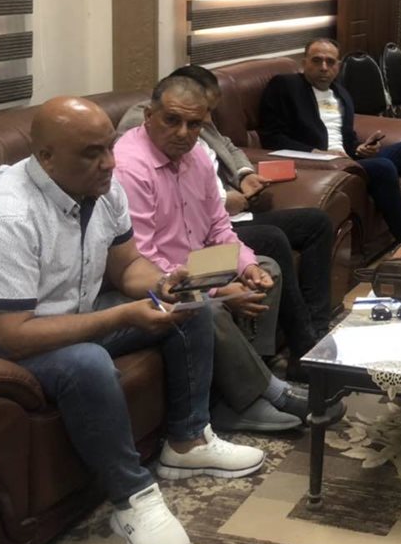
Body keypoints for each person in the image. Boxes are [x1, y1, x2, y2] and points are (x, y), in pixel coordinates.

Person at [0, 97, 265, 544]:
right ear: (45, 157)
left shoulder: (102, 186)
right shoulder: (6, 214)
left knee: (188, 306)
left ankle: (187, 441)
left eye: (109, 147)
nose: (109, 163)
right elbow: (15, 333)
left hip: (67, 313)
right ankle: (133, 497)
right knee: (86, 362)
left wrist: (162, 284)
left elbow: (127, 266)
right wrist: (122, 314)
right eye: (92, 153)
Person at [116, 76, 338, 433]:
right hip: (156, 276)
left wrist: (246, 267)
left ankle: (247, 388)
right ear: (148, 116)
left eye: (194, 125)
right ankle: (252, 396)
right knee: (210, 306)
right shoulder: (130, 167)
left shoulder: (196, 157)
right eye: (172, 120)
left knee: (267, 269)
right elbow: (143, 259)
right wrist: (217, 288)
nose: (183, 133)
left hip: (194, 260)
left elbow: (219, 227)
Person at [259, 38, 401, 242]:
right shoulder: (285, 86)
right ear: (304, 63)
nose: (323, 67)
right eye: (317, 60)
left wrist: (360, 148)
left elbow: (347, 138)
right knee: (383, 166)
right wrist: (316, 153)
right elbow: (271, 137)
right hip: (320, 164)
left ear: (338, 66)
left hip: (349, 158)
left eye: (330, 62)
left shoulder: (341, 94)